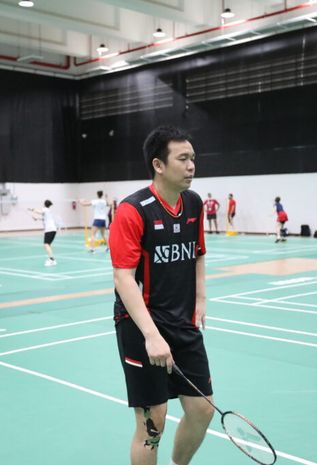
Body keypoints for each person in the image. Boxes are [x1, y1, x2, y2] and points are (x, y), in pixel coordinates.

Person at [109, 125, 213, 465]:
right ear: (158, 165)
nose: (191, 166)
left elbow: (197, 252)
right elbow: (123, 279)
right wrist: (152, 336)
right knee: (153, 421)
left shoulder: (194, 203)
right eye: (182, 159)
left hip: (182, 321)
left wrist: (200, 298)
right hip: (141, 324)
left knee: (202, 409)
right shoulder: (133, 210)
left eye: (193, 158)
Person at [29, 200, 58, 267]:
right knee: (48, 245)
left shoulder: (45, 209)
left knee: (46, 244)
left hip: (49, 230)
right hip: (53, 230)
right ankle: (51, 258)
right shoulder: (48, 211)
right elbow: (44, 218)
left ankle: (52, 260)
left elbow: (40, 212)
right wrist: (36, 218)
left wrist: (33, 209)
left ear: (44, 204)